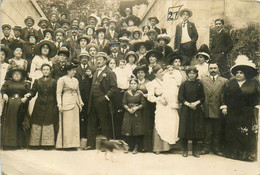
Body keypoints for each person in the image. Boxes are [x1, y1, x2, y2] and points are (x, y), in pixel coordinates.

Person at [222, 55, 258, 161]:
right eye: (237, 72)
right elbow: (225, 96)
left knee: (245, 132)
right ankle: (233, 154)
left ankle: (247, 154)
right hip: (233, 111)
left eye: (241, 73)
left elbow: (256, 98)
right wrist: (225, 107)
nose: (238, 74)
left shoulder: (252, 84)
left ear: (245, 74)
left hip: (246, 112)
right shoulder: (231, 84)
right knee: (232, 132)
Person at [86, 52, 118, 150]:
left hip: (103, 101)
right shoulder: (96, 72)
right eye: (97, 59)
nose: (98, 61)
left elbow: (114, 88)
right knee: (92, 122)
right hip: (93, 100)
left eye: (100, 59)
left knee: (104, 123)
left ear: (105, 61)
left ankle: (106, 146)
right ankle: (90, 144)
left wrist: (106, 98)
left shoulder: (110, 72)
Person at [147, 65, 179, 154]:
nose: (162, 73)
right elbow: (150, 97)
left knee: (170, 125)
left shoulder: (167, 80)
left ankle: (168, 147)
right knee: (160, 125)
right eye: (160, 72)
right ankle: (158, 147)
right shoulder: (152, 83)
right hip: (161, 106)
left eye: (163, 71)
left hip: (169, 106)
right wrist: (159, 99)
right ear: (155, 74)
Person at [24, 64, 58, 149]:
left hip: (50, 105)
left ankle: (47, 144)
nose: (46, 71)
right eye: (44, 69)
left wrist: (57, 104)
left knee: (48, 122)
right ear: (42, 71)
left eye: (47, 69)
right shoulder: (37, 81)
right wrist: (29, 94)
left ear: (50, 71)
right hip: (39, 105)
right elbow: (33, 91)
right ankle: (35, 144)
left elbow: (56, 94)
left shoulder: (54, 82)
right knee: (37, 121)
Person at [200, 61, 228, 156]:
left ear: (218, 69)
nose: (213, 70)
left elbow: (226, 95)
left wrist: (224, 106)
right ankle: (206, 147)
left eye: (214, 68)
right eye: (211, 68)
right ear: (208, 70)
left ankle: (216, 148)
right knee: (207, 129)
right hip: (207, 107)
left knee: (217, 130)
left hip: (218, 108)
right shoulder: (203, 80)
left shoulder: (224, 81)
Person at [56, 61, 84, 149]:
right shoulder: (62, 79)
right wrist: (59, 104)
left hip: (75, 103)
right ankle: (66, 144)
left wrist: (80, 102)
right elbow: (58, 93)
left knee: (75, 124)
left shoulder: (76, 80)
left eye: (74, 70)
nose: (74, 72)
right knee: (67, 124)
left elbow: (78, 92)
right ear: (68, 71)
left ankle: (74, 144)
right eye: (73, 70)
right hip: (66, 102)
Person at [178, 66, 205, 158]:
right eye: (190, 73)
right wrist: (189, 104)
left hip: (196, 109)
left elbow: (202, 98)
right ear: (187, 74)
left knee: (195, 129)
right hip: (186, 109)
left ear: (196, 74)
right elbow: (180, 98)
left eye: (193, 73)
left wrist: (195, 103)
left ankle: (195, 151)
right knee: (185, 129)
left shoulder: (199, 84)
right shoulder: (184, 84)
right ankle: (185, 150)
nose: (192, 75)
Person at [1, 67, 31, 149]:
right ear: (11, 75)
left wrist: (27, 96)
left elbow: (29, 92)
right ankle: (9, 144)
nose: (17, 75)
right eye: (15, 73)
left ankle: (20, 143)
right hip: (10, 104)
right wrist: (4, 94)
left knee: (19, 123)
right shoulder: (8, 83)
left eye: (19, 73)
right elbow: (3, 90)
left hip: (21, 104)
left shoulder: (25, 84)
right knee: (9, 123)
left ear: (22, 75)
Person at [132, 65, 155, 152]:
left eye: (142, 72)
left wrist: (143, 94)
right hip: (137, 107)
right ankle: (137, 146)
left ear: (145, 73)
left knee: (146, 125)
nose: (140, 74)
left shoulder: (149, 82)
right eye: (138, 73)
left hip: (147, 107)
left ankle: (146, 146)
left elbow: (152, 95)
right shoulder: (134, 82)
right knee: (137, 127)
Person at [74, 52, 93, 148]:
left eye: (86, 58)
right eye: (82, 58)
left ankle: (85, 135)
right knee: (77, 115)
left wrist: (90, 76)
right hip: (77, 96)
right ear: (80, 59)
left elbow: (94, 83)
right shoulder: (76, 70)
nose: (84, 59)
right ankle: (77, 135)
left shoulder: (92, 70)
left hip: (87, 97)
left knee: (86, 116)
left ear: (88, 60)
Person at [121, 78, 145, 154]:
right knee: (127, 129)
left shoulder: (140, 93)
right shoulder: (126, 93)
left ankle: (136, 147)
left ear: (137, 85)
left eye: (134, 83)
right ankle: (127, 146)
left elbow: (143, 103)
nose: (133, 85)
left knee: (136, 130)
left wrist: (136, 108)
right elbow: (123, 103)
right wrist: (128, 109)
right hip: (128, 113)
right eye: (131, 83)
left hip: (137, 113)